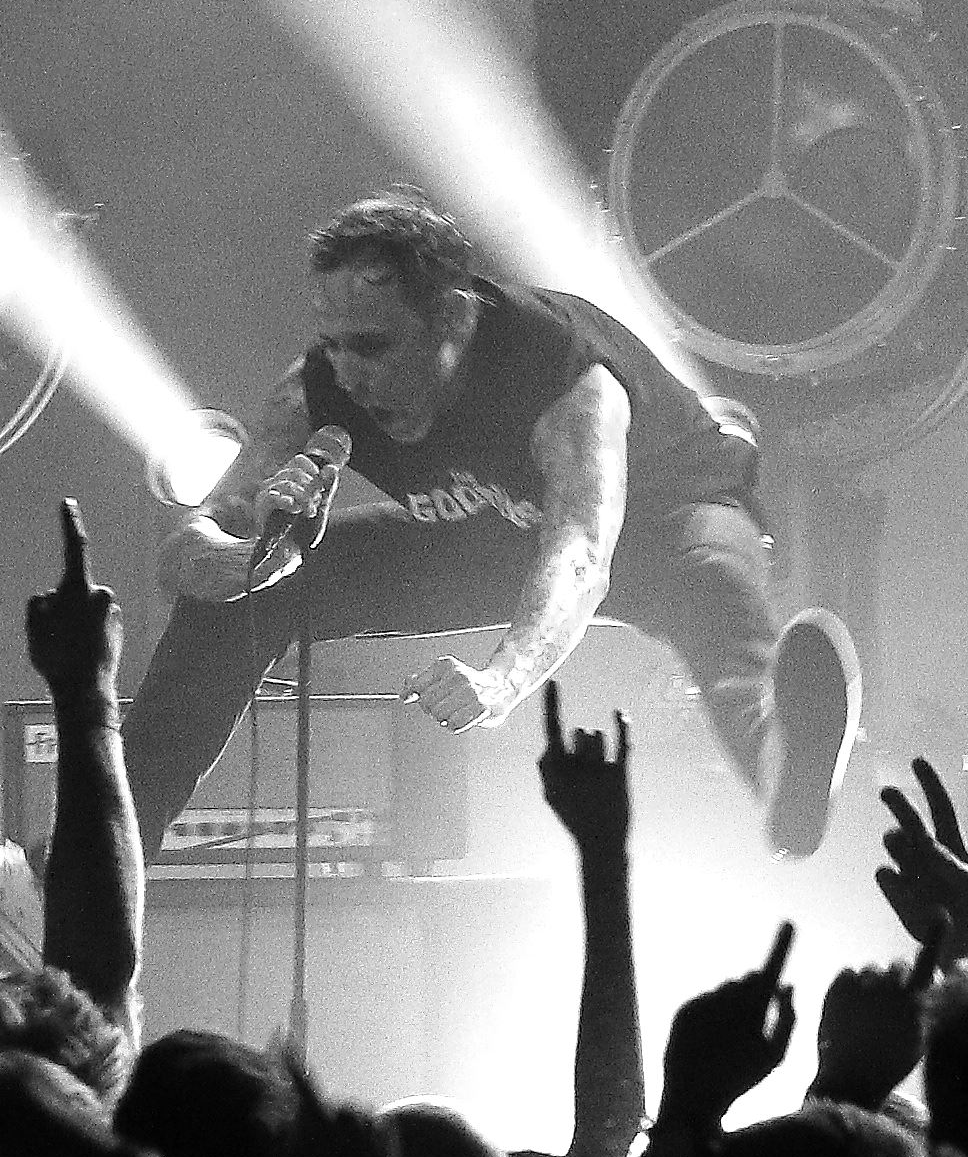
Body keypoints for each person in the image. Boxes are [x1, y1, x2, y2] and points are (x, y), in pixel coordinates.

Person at [128, 195, 862, 856]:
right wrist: (254, 562)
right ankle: (104, 848)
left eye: (374, 346)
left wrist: (501, 681)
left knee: (709, 580)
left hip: (662, 514)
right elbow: (193, 541)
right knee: (230, 607)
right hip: (493, 532)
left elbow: (581, 555)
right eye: (334, 344)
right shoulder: (314, 391)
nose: (348, 374)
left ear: (453, 318)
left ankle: (778, 760)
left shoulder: (561, 375)